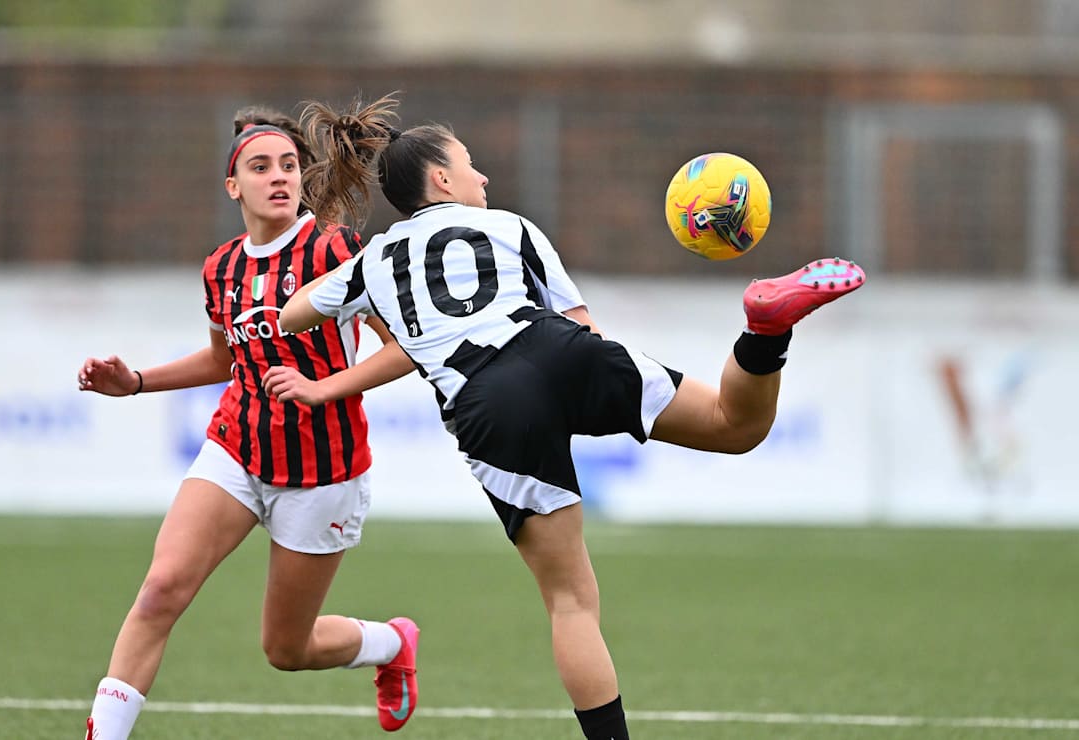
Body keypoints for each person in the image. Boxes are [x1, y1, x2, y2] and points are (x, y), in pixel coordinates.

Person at [270, 93, 866, 740]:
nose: (485, 178)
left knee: (572, 602)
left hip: (489, 403)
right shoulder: (515, 228)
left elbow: (293, 313)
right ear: (441, 179)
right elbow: (583, 327)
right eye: (472, 166)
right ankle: (763, 329)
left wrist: (343, 276)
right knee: (735, 425)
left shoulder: (375, 261)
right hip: (561, 350)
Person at [76, 104, 422, 740]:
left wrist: (322, 389)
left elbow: (405, 347)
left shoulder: (334, 249)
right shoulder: (221, 268)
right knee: (160, 591)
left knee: (286, 649)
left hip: (323, 472)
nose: (279, 177)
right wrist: (136, 384)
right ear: (234, 186)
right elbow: (222, 358)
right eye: (260, 167)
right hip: (237, 449)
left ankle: (390, 643)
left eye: (288, 165)